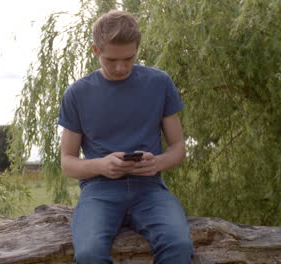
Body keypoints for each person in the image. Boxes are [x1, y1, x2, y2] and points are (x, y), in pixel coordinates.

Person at [58, 10, 194, 264]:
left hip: (150, 189)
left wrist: (157, 163)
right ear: (95, 51)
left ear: (136, 50)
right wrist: (101, 165)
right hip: (99, 192)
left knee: (179, 245)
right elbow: (67, 162)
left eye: (129, 59)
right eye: (111, 60)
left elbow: (178, 147)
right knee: (88, 255)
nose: (121, 68)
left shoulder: (160, 83)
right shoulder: (77, 94)